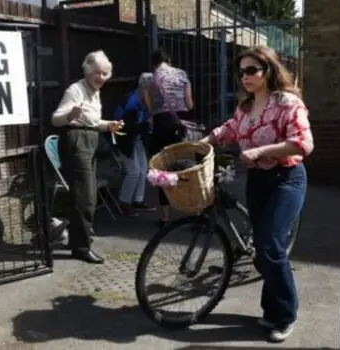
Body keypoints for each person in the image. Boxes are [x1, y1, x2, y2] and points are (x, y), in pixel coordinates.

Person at [200, 45, 314, 342]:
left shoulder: (288, 103)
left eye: (252, 70)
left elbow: (303, 144)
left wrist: (261, 150)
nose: (245, 76)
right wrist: (204, 142)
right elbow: (229, 130)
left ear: (268, 70)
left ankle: (287, 315)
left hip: (286, 179)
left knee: (271, 246)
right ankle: (272, 310)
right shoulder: (246, 108)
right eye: (241, 72)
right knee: (262, 251)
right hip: (258, 181)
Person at [51, 50, 123, 264]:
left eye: (105, 74)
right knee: (86, 197)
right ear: (88, 71)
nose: (101, 78)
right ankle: (82, 247)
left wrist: (108, 125)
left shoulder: (95, 91)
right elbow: (56, 119)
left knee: (84, 195)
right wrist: (69, 115)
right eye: (98, 73)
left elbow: (91, 121)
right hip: (77, 141)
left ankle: (77, 242)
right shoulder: (75, 90)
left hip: (90, 140)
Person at [140, 49, 194, 227]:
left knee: (162, 169)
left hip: (161, 124)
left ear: (154, 62)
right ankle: (197, 211)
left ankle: (165, 218)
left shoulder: (148, 79)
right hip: (182, 124)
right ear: (168, 60)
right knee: (189, 167)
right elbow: (189, 103)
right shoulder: (182, 74)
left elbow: (148, 106)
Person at [111, 75, 156, 216]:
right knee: (134, 171)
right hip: (125, 140)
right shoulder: (131, 101)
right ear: (144, 87)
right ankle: (124, 202)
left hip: (136, 139)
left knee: (143, 170)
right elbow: (124, 126)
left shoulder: (143, 100)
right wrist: (146, 125)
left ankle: (138, 200)